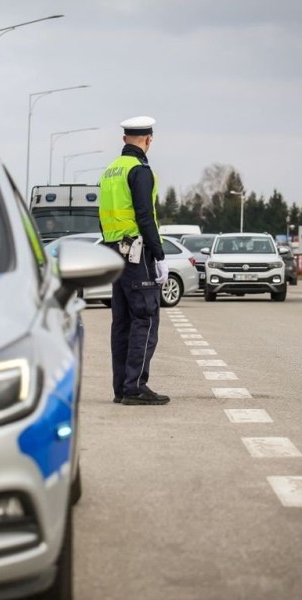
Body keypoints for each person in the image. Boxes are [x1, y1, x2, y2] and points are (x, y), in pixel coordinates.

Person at [98, 115, 170, 406]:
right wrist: (159, 254)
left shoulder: (110, 171)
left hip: (114, 253)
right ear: (148, 140)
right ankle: (136, 386)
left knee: (123, 322)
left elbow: (102, 219)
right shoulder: (140, 170)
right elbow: (145, 216)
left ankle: (122, 387)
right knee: (145, 317)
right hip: (137, 252)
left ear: (125, 138)